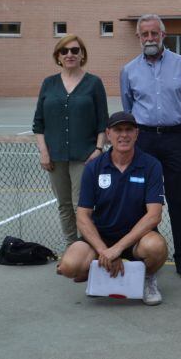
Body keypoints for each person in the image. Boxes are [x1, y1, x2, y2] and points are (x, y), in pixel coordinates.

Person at [57, 112, 168, 306]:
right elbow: (82, 216)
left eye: (128, 130)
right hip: (102, 238)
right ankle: (98, 273)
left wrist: (118, 249)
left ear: (137, 134)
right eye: (118, 130)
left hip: (137, 240)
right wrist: (104, 251)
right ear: (108, 134)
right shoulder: (94, 167)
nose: (123, 135)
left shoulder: (151, 165)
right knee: (68, 266)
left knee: (156, 248)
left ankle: (147, 279)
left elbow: (154, 215)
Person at [120, 14, 181, 282]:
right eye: (145, 34)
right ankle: (142, 255)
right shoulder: (129, 70)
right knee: (142, 202)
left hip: (176, 139)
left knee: (178, 202)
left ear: (163, 35)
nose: (150, 38)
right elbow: (127, 108)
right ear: (139, 37)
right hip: (145, 141)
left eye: (154, 33)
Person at [33, 35, 108, 247]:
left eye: (75, 50)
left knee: (81, 206)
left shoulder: (93, 83)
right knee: (64, 205)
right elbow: (38, 123)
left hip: (85, 157)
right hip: (55, 156)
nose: (70, 55)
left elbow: (103, 121)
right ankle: (71, 248)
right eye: (64, 51)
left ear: (82, 54)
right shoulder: (49, 83)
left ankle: (86, 248)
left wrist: (98, 149)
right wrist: (44, 152)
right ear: (58, 56)